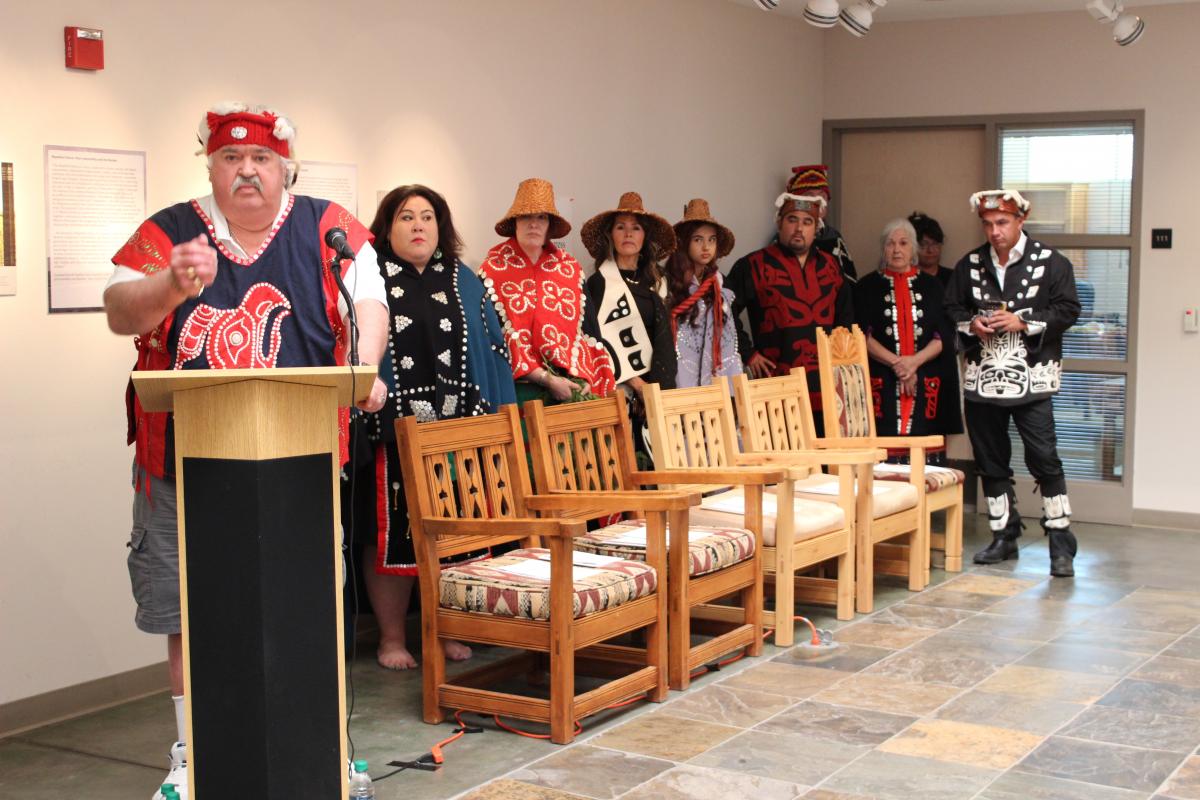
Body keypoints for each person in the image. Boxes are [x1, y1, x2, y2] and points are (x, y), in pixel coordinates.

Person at [103, 102, 388, 799]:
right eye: (231, 159)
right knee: (188, 612)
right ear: (211, 165)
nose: (247, 171)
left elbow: (371, 303)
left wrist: (368, 368)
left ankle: (320, 740)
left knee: (308, 603)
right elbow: (118, 311)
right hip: (180, 463)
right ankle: (192, 751)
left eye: (260, 159)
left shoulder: (328, 228)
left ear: (284, 166)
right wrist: (172, 283)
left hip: (305, 460)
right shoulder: (171, 231)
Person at [344, 184, 516, 670]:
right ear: (386, 227)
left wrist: (497, 421)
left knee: (456, 539)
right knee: (391, 540)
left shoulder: (464, 278)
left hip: (458, 433)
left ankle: (445, 631)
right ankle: (391, 638)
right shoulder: (369, 277)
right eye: (405, 217)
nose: (418, 226)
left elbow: (493, 350)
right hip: (391, 432)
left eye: (427, 217)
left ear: (441, 227)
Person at [944, 189, 1082, 577]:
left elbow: (1069, 308)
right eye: (988, 224)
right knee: (990, 460)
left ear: (1021, 221)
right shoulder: (968, 264)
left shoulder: (1051, 263)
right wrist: (971, 324)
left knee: (1044, 457)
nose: (995, 231)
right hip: (983, 378)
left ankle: (1060, 540)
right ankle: (1004, 534)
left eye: (1002, 223)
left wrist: (1023, 321)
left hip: (1032, 377)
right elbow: (950, 307)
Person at [727, 178, 854, 430]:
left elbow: (845, 322)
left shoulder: (832, 267)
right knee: (783, 464)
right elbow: (723, 311)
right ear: (779, 223)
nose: (799, 228)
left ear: (816, 228)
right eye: (792, 220)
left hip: (827, 388)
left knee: (826, 463)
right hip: (775, 385)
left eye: (807, 222)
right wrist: (748, 353)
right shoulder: (752, 265)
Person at [479, 178, 614, 403]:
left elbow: (590, 333)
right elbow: (491, 341)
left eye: (541, 217)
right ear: (515, 222)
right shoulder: (491, 271)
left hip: (570, 388)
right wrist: (545, 379)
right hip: (517, 391)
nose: (534, 224)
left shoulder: (570, 269)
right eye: (526, 216)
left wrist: (587, 376)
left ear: (550, 224)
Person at [854, 219, 955, 456]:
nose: (896, 249)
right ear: (883, 249)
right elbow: (860, 334)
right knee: (883, 457)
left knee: (925, 457)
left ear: (913, 249)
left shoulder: (934, 287)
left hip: (925, 379)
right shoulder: (866, 287)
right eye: (890, 244)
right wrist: (898, 364)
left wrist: (914, 362)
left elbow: (943, 335)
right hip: (882, 380)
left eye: (903, 243)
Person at [582, 191, 678, 412]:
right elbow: (597, 339)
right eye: (620, 227)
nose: (628, 234)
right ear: (610, 235)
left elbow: (664, 338)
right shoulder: (599, 283)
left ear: (645, 237)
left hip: (657, 382)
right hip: (621, 386)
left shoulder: (659, 280)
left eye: (636, 228)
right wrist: (637, 384)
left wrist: (655, 387)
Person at [665, 198, 743, 388]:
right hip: (679, 375)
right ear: (684, 243)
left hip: (713, 377)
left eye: (712, 239)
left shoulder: (719, 285)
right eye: (698, 239)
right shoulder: (667, 282)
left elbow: (729, 336)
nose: (706, 247)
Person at [787, 164, 857, 281]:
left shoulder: (834, 237)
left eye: (822, 196)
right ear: (797, 202)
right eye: (810, 197)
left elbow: (849, 281)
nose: (818, 202)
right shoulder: (786, 237)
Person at [909, 211, 955, 286]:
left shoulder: (953, 278)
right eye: (923, 244)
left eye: (935, 244)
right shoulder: (904, 278)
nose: (930, 250)